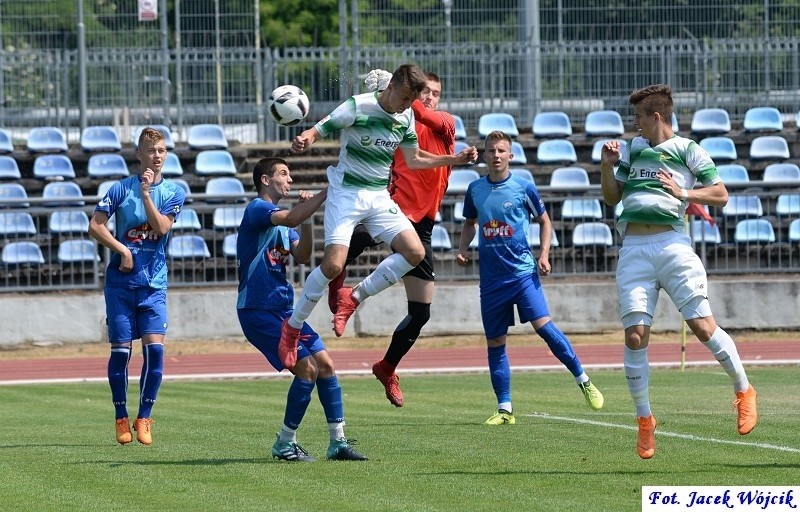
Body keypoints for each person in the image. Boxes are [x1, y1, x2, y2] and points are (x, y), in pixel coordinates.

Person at [277, 63, 478, 369]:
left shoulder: (406, 114)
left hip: (378, 197)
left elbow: (414, 159)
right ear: (393, 86)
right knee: (332, 265)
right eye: (406, 97)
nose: (407, 105)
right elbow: (318, 129)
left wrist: (455, 159)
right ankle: (292, 328)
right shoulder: (359, 105)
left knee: (414, 251)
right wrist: (305, 139)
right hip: (346, 193)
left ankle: (353, 297)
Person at [600, 84, 757, 459]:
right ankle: (644, 421)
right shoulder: (634, 149)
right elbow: (611, 196)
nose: (633, 124)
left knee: (702, 327)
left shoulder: (688, 149)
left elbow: (720, 194)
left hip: (673, 244)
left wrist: (684, 194)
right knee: (635, 337)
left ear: (655, 117)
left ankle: (743, 389)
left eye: (637, 117)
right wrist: (606, 168)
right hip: (634, 248)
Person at [326, 69, 459, 407]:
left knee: (421, 311)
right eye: (423, 92)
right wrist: (383, 92)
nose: (427, 98)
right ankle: (338, 286)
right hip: (396, 205)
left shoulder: (443, 122)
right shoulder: (399, 119)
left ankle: (387, 367)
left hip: (425, 222)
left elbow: (421, 114)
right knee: (353, 240)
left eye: (434, 93)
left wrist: (398, 92)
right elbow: (381, 114)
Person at [455, 130, 605, 426]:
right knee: (495, 343)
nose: (496, 155)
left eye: (501, 151)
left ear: (510, 155)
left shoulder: (524, 187)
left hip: (522, 273)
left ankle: (583, 379)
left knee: (545, 328)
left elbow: (545, 220)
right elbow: (470, 224)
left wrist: (545, 254)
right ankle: (504, 408)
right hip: (492, 280)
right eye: (491, 151)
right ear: (484, 155)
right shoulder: (475, 190)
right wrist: (462, 249)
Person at [236, 157, 366, 462]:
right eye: (283, 174)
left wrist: (307, 219)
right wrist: (327, 191)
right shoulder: (258, 209)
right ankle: (284, 443)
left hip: (285, 311)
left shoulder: (283, 221)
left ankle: (338, 442)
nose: (290, 179)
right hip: (258, 310)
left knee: (326, 365)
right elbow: (291, 218)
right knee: (307, 369)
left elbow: (304, 255)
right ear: (266, 180)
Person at [88, 126, 186, 446]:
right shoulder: (119, 189)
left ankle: (144, 416)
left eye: (161, 151)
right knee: (121, 353)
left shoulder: (174, 192)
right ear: (139, 154)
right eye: (151, 150)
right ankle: (120, 417)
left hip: (153, 284)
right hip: (120, 284)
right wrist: (122, 249)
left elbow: (160, 228)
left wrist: (146, 195)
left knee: (155, 352)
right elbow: (95, 225)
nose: (156, 156)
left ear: (165, 155)